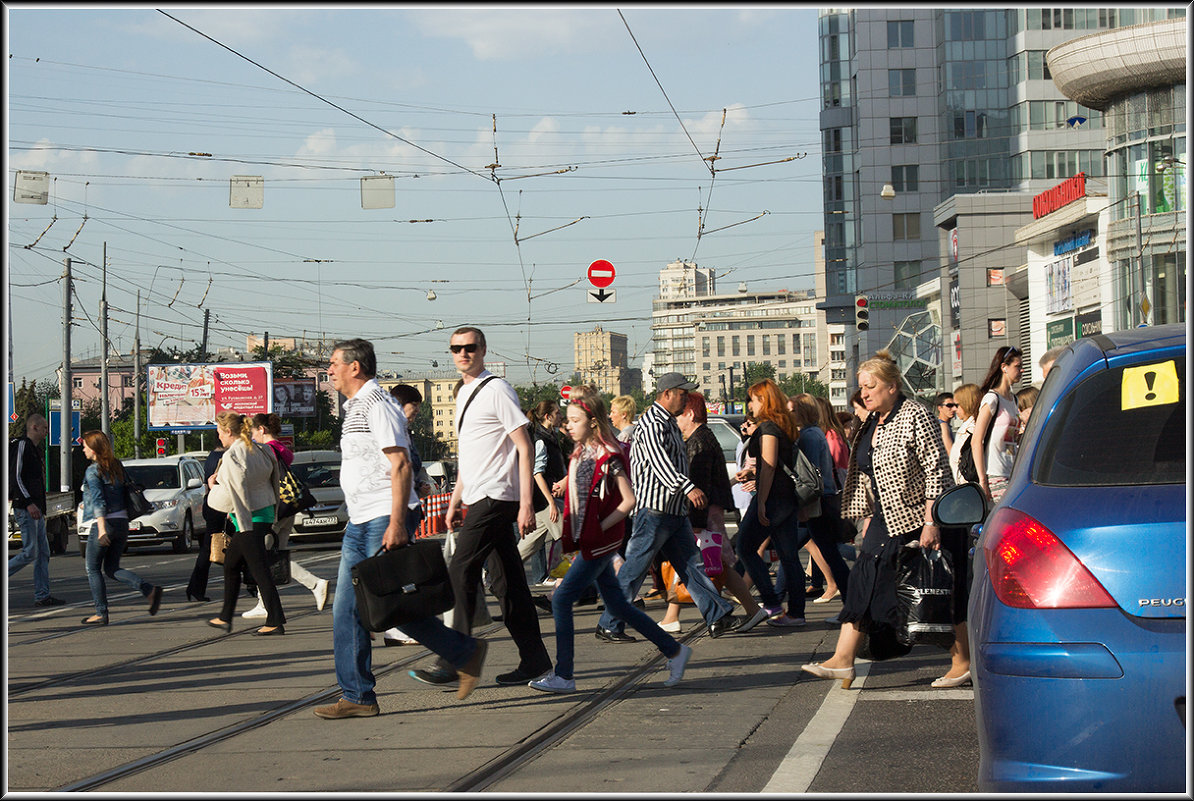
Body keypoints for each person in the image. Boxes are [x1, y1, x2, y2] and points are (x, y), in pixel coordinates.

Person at [315, 339, 489, 718]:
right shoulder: (354, 407)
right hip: (361, 519)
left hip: (382, 518)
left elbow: (402, 466)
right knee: (382, 606)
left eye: (333, 364)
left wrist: (396, 523)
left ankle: (358, 695)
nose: (329, 370)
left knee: (353, 609)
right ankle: (462, 652)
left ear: (355, 367)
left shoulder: (380, 405)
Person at [802, 350, 966, 689]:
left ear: (892, 386)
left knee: (924, 592)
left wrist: (932, 521)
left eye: (870, 385)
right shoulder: (874, 421)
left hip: (916, 517)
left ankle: (961, 659)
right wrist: (864, 514)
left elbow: (936, 468)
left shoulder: (915, 414)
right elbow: (867, 472)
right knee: (863, 582)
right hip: (882, 517)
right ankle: (843, 660)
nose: (864, 393)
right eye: (861, 386)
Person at [410, 327, 552, 688]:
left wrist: (524, 504)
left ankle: (455, 655)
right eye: (456, 348)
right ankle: (534, 660)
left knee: (459, 570)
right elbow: (472, 456)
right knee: (509, 584)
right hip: (478, 497)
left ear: (483, 349)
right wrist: (456, 499)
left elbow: (524, 445)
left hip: (498, 497)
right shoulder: (465, 394)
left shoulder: (497, 389)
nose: (463, 354)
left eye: (470, 347)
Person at [529, 388, 693, 693]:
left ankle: (564, 674)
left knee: (563, 599)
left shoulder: (608, 454)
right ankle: (674, 650)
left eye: (575, 420)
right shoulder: (582, 452)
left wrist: (598, 528)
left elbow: (628, 500)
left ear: (593, 422)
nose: (568, 425)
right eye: (567, 420)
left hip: (599, 542)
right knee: (619, 604)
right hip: (592, 541)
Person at [597, 373, 739, 641]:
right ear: (666, 394)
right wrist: (688, 487)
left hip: (672, 511)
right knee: (635, 569)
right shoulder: (651, 423)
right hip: (654, 509)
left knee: (692, 566)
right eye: (682, 393)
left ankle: (717, 616)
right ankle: (608, 622)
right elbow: (660, 462)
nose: (686, 398)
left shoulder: (668, 423)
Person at [662, 391, 769, 634]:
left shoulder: (698, 441)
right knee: (712, 564)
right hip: (710, 513)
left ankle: (685, 615)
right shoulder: (703, 437)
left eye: (679, 415)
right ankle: (748, 609)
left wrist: (695, 521)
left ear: (689, 414)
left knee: (702, 563)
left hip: (704, 515)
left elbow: (699, 486)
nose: (676, 420)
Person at [204, 411, 286, 636]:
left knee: (260, 571)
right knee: (231, 564)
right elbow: (274, 478)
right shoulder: (261, 449)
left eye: (219, 432)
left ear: (228, 431)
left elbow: (238, 491)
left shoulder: (233, 456)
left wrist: (213, 486)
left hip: (248, 520)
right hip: (264, 514)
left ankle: (275, 620)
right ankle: (225, 616)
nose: (219, 437)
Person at [240, 413, 330, 618]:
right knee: (274, 557)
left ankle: (314, 583)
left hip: (273, 510)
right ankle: (264, 603)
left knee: (261, 556)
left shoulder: (266, 450)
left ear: (262, 429)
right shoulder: (283, 450)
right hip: (289, 508)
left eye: (254, 432)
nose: (252, 436)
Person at [734, 379, 807, 627]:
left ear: (763, 401)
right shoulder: (778, 426)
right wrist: (752, 475)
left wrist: (762, 501)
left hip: (774, 499)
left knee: (744, 546)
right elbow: (769, 466)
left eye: (752, 399)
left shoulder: (767, 428)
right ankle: (795, 612)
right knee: (788, 555)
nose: (749, 404)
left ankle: (772, 602)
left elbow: (769, 466)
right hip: (783, 498)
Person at [78, 430, 163, 625]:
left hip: (106, 523)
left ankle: (101, 613)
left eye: (85, 446)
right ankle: (149, 590)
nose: (83, 449)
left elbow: (99, 500)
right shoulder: (117, 466)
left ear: (94, 448)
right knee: (111, 568)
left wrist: (101, 529)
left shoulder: (93, 470)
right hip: (123, 523)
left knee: (92, 568)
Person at [383, 383, 446, 646]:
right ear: (398, 405)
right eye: (414, 409)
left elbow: (413, 467)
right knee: (397, 570)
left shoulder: (405, 432)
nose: (415, 414)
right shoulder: (391, 434)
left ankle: (396, 626)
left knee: (401, 570)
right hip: (395, 507)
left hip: (409, 505)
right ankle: (395, 626)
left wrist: (420, 485)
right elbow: (394, 470)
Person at [790, 394, 851, 607]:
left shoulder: (809, 436)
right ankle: (849, 596)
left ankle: (851, 598)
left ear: (802, 412)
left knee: (827, 551)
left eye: (793, 410)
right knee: (828, 550)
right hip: (820, 498)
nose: (790, 415)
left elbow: (810, 472)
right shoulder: (815, 433)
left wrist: (805, 503)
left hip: (816, 501)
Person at [8, 413, 64, 607]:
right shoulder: (22, 445)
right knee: (30, 552)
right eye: (45, 428)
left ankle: (42, 595)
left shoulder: (35, 450)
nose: (47, 432)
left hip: (37, 509)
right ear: (34, 428)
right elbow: (16, 477)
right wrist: (29, 502)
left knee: (43, 553)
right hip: (26, 508)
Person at [971, 346, 1023, 505]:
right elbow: (976, 440)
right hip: (994, 473)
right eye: (1017, 366)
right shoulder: (992, 399)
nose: (1021, 370)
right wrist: (983, 480)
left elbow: (1012, 439)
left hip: (1012, 472)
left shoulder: (1013, 400)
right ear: (1004, 367)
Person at [187, 443, 227, 603]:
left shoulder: (211, 456)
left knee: (208, 548)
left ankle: (195, 587)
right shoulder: (227, 456)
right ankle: (251, 581)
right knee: (234, 545)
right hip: (221, 505)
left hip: (210, 503)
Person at [948, 384, 981, 485]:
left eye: (957, 405)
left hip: (969, 487)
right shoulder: (968, 427)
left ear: (967, 404)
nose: (954, 409)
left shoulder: (973, 429)